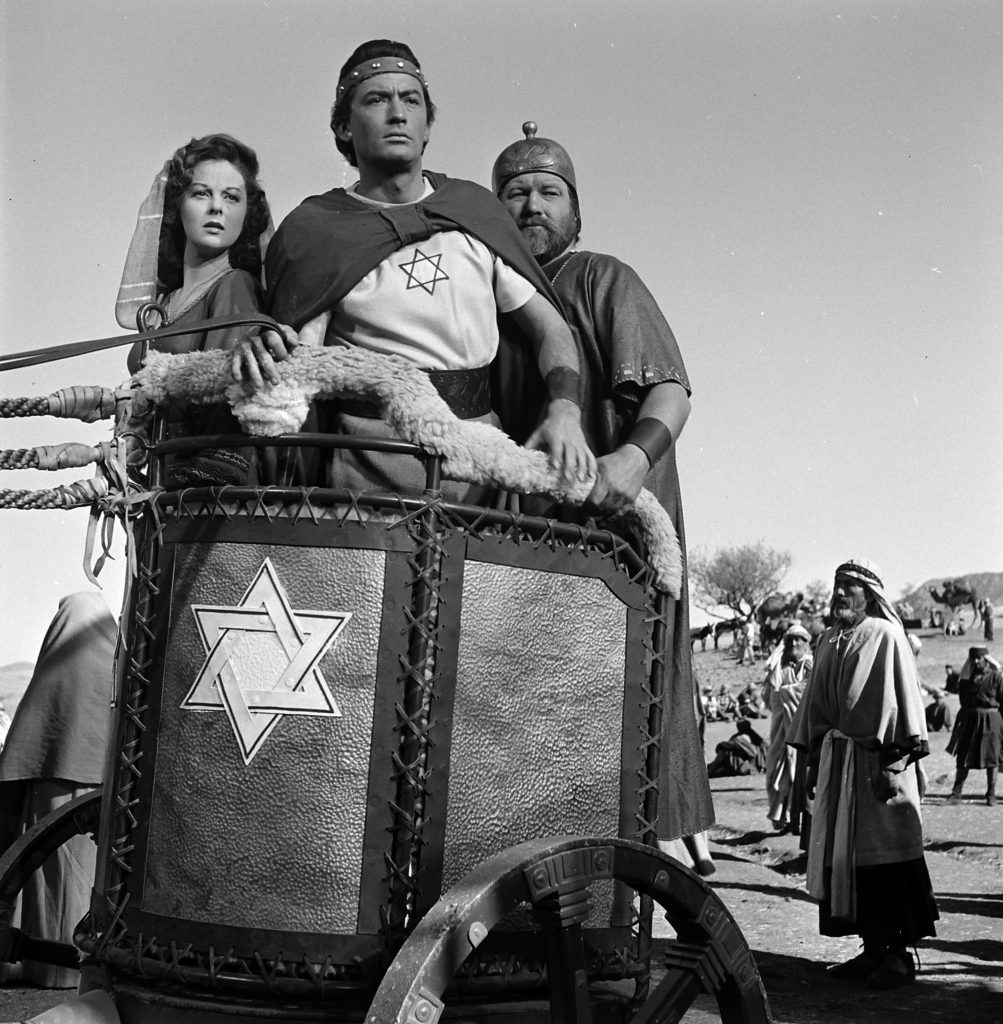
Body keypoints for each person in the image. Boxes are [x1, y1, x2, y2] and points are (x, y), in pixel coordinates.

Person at [234, 42, 593, 500]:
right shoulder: (315, 230)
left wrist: (564, 409)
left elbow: (550, 330)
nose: (398, 114)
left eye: (411, 99)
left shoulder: (474, 212)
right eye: (377, 99)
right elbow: (295, 358)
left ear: (427, 126)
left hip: (479, 466)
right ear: (344, 126)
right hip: (368, 472)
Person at [492, 120, 714, 851]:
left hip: (621, 528)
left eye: (548, 192)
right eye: (515, 193)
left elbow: (671, 393)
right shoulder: (493, 307)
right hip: (533, 534)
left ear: (576, 211)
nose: (531, 206)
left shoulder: (602, 278)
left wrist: (631, 461)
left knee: (626, 698)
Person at [790, 559, 938, 989]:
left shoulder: (887, 636)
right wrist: (816, 762)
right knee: (848, 862)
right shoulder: (828, 639)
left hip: (878, 763)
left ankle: (898, 956)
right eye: (836, 585)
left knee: (885, 858)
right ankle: (871, 948)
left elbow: (904, 703)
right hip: (840, 765)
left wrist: (893, 764)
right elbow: (815, 709)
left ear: (869, 593)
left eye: (849, 586)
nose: (839, 593)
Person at [116, 133, 274, 487]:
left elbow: (224, 397)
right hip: (161, 485)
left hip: (211, 490)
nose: (217, 207)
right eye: (202, 193)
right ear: (177, 205)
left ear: (247, 214)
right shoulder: (163, 305)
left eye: (232, 197)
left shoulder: (236, 286)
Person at [0, 593, 116, 988]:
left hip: (48, 799)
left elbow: (18, 756)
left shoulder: (51, 674)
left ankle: (40, 963)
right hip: (105, 800)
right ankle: (82, 969)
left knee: (48, 881)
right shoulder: (120, 680)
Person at [762, 623, 813, 832]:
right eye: (790, 640)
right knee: (776, 772)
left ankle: (797, 820)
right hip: (780, 732)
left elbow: (810, 691)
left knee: (798, 773)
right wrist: (781, 692)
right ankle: (782, 817)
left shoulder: (811, 665)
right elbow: (768, 697)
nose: (794, 643)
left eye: (798, 640)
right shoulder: (779, 667)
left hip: (802, 731)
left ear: (806, 643)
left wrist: (784, 692)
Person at [946, 645, 1002, 806]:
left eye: (979, 658)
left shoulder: (996, 677)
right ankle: (956, 794)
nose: (976, 661)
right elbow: (963, 701)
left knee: (991, 758)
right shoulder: (966, 679)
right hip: (970, 721)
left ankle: (991, 795)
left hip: (992, 721)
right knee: (963, 756)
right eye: (973, 659)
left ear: (986, 659)